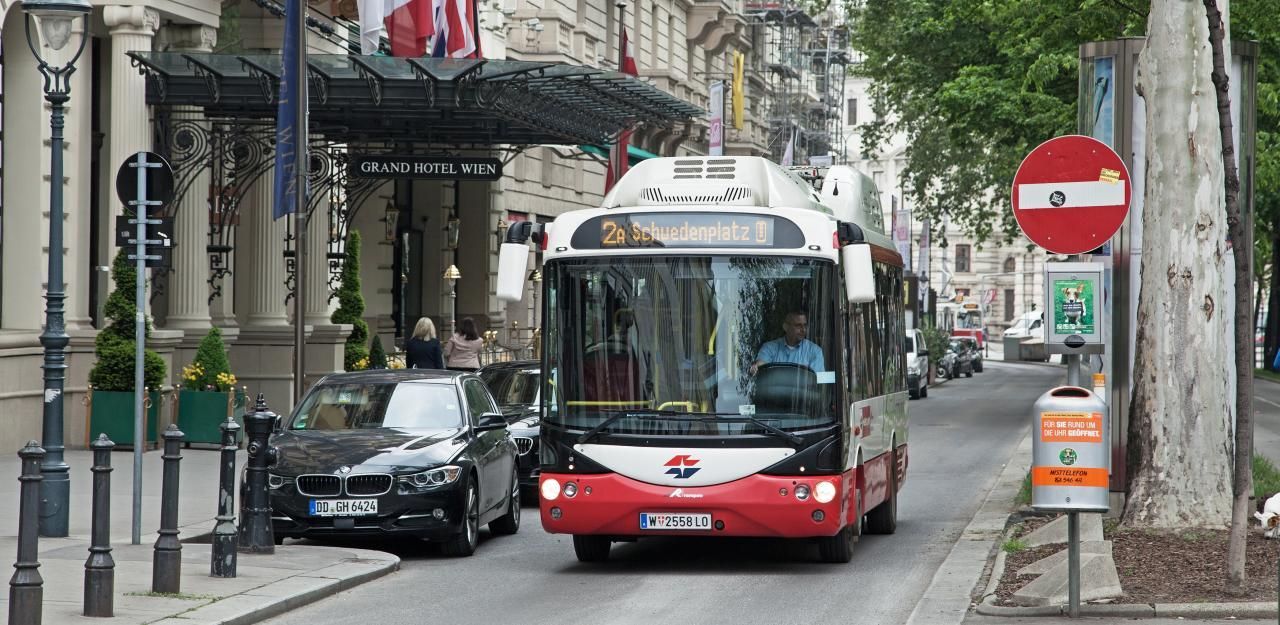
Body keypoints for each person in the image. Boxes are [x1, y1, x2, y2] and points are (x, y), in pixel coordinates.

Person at [749, 310, 825, 375]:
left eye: (805, 325)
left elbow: (817, 382)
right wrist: (756, 367)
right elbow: (760, 367)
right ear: (786, 327)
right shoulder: (770, 348)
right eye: (798, 325)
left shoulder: (815, 351)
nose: (803, 330)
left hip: (802, 392)